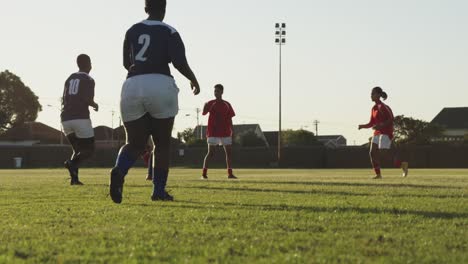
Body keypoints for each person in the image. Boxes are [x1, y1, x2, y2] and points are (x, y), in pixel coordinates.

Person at [110, 0, 200, 203]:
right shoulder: (170, 31)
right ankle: (158, 190)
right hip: (160, 83)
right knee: (162, 143)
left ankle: (119, 171)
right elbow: (178, 61)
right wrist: (192, 78)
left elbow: (127, 63)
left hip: (132, 85)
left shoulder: (132, 30)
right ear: (164, 9)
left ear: (145, 9)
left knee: (134, 143)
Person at [61, 54, 99, 185]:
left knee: (77, 150)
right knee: (89, 150)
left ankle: (74, 180)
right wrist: (95, 105)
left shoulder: (69, 78)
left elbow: (64, 98)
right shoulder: (89, 79)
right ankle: (71, 163)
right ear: (88, 64)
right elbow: (87, 99)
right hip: (80, 118)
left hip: (65, 118)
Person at [358, 87, 409, 179]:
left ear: (378, 95)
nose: (371, 95)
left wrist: (381, 126)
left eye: (373, 93)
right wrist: (363, 126)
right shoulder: (374, 108)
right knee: (372, 153)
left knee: (383, 154)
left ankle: (402, 164)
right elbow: (371, 123)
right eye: (371, 94)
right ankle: (378, 174)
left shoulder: (384, 107)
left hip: (386, 132)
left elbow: (391, 119)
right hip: (377, 133)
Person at [201, 84, 237, 180]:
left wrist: (232, 131)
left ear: (222, 92)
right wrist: (204, 106)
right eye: (215, 91)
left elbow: (230, 119)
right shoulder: (210, 103)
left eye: (217, 91)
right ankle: (204, 174)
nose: (216, 93)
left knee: (228, 153)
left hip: (225, 132)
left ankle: (230, 174)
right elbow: (204, 113)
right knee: (211, 153)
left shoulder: (227, 104)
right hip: (213, 132)